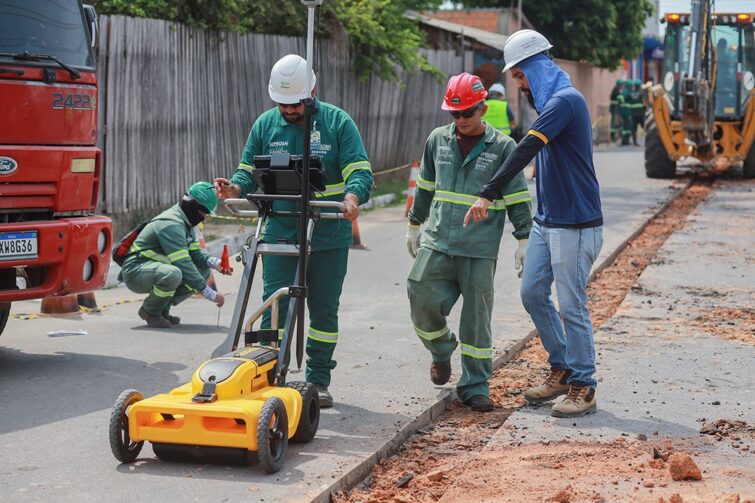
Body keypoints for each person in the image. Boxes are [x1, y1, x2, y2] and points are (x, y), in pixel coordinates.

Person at [214, 54, 373, 408]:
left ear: (311, 91)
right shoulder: (265, 125)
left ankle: (318, 379)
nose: (287, 110)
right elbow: (246, 170)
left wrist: (351, 197)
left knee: (323, 309)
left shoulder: (336, 123)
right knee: (275, 305)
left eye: (294, 104)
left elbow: (360, 170)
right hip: (279, 230)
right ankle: (272, 374)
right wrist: (235, 189)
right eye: (282, 104)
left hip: (327, 231)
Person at [464, 29, 604, 418]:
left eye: (519, 76)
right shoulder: (552, 103)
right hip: (549, 221)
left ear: (533, 68)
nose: (518, 84)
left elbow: (527, 146)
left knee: (572, 304)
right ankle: (562, 367)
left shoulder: (565, 102)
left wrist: (488, 191)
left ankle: (584, 384)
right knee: (531, 293)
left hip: (575, 223)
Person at [406, 72, 532, 413]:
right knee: (419, 294)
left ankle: (475, 386)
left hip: (478, 249)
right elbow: (426, 187)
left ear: (483, 108)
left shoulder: (504, 148)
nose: (460, 120)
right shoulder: (437, 140)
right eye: (454, 114)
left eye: (467, 113)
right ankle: (442, 351)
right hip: (437, 241)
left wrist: (523, 237)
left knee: (476, 319)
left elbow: (519, 197)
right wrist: (415, 224)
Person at [121, 182, 228, 328]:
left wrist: (216, 263)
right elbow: (183, 262)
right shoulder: (172, 224)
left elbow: (196, 254)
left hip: (154, 270)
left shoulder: (185, 223)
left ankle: (162, 309)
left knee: (202, 271)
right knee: (173, 274)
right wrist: (209, 293)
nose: (203, 216)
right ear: (192, 205)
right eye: (203, 212)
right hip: (136, 272)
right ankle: (150, 311)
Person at [628, 79, 644, 146]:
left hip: (633, 113)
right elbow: (644, 102)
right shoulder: (641, 93)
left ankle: (634, 142)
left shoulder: (631, 93)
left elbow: (628, 101)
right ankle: (647, 141)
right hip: (640, 113)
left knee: (634, 129)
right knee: (644, 127)